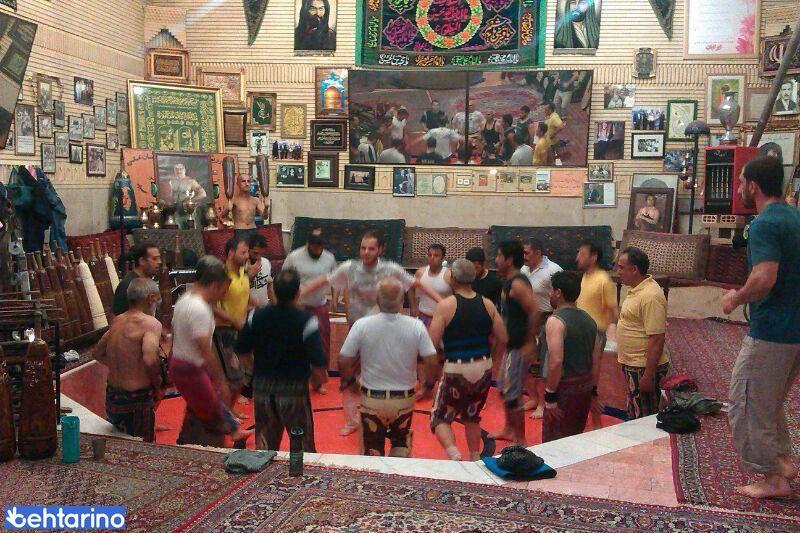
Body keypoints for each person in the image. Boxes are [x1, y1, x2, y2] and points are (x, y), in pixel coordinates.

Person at [300, 230, 443, 435]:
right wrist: (298, 296)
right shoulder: (350, 268)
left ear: (381, 249)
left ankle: (388, 414)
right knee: (349, 376)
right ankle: (352, 420)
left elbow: (416, 283)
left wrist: (443, 302)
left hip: (384, 332)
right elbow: (324, 280)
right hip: (357, 329)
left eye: (371, 248)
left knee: (383, 375)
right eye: (363, 248)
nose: (366, 252)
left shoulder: (390, 269)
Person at [721, 155, 800, 499]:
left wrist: (736, 298)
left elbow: (764, 277)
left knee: (746, 403)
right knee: (768, 402)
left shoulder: (765, 223)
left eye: (741, 182)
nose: (738, 188)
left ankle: (772, 477)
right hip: (794, 329)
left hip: (772, 330)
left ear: (752, 186)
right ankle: (782, 461)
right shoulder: (794, 216)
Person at [338, 278, 438, 457]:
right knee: (401, 449)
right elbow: (431, 359)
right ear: (402, 300)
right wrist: (428, 385)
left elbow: (344, 359)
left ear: (377, 299)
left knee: (372, 452)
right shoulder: (416, 326)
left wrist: (352, 383)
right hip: (404, 399)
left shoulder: (362, 325)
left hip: (372, 399)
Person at [235, 269, 328, 452]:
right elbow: (318, 362)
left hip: (263, 389)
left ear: (274, 291)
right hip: (294, 391)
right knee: (302, 446)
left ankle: (263, 469)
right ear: (298, 292)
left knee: (265, 447)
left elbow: (242, 350)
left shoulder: (256, 315)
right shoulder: (306, 320)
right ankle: (300, 470)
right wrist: (318, 379)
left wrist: (255, 370)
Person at [428, 259, 507, 461]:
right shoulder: (487, 304)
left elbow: (431, 344)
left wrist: (432, 373)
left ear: (453, 279)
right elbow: (503, 337)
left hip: (457, 366)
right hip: (483, 366)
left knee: (440, 417)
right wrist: (493, 358)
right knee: (472, 416)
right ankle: (474, 456)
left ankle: (454, 454)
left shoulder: (446, 306)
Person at [170, 256, 251, 445]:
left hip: (181, 364)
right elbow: (205, 350)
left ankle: (185, 441)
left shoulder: (185, 299)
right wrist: (220, 379)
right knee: (211, 411)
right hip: (190, 368)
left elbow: (175, 334)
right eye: (223, 290)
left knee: (198, 408)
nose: (223, 296)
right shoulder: (199, 308)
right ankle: (219, 446)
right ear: (214, 285)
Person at [94, 278, 163, 442]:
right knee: (143, 448)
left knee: (120, 445)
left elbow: (97, 353)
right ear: (150, 298)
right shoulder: (151, 324)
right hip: (136, 403)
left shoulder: (117, 321)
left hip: (112, 398)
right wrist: (158, 385)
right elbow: (150, 359)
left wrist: (124, 365)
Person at [541, 271, 602, 442]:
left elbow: (556, 361)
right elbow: (596, 359)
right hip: (584, 389)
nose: (549, 293)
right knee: (574, 439)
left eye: (551, 290)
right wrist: (593, 392)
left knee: (553, 443)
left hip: (564, 391)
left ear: (558, 293)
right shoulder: (589, 320)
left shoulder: (555, 321)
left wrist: (550, 396)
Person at [493, 240, 539, 445]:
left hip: (519, 347)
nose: (496, 260)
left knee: (512, 394)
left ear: (509, 259)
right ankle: (508, 430)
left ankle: (520, 440)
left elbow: (535, 311)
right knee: (504, 389)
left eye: (499, 256)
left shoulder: (518, 284)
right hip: (511, 346)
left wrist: (529, 342)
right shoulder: (508, 281)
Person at [615, 247, 669, 419]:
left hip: (643, 368)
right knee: (635, 412)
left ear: (634, 269)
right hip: (634, 364)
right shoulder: (636, 289)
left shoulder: (651, 296)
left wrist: (647, 376)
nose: (617, 271)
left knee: (644, 418)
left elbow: (657, 338)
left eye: (621, 267)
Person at [283, 227, 337, 378]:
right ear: (308, 244)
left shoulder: (329, 258)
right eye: (315, 246)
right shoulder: (294, 257)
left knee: (322, 343)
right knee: (297, 342)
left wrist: (334, 299)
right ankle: (298, 375)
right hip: (298, 307)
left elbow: (335, 279)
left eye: (321, 246)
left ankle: (320, 376)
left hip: (319, 305)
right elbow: (283, 279)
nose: (318, 250)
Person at [520, 238, 562, 416]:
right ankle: (533, 398)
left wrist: (555, 321)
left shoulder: (553, 270)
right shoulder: (523, 270)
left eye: (526, 253)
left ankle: (543, 405)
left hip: (546, 320)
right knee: (524, 362)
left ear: (538, 253)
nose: (523, 256)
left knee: (542, 364)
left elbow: (561, 297)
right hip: (527, 320)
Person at [213, 238, 255, 410]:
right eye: (243, 252)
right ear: (231, 253)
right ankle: (229, 407)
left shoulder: (243, 273)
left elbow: (245, 297)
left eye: (248, 252)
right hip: (224, 329)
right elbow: (212, 306)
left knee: (250, 364)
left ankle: (236, 398)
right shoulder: (221, 276)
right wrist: (233, 320)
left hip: (242, 327)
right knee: (232, 370)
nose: (247, 256)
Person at [112, 243, 161, 316]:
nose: (159, 262)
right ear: (142, 261)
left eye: (159, 258)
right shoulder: (128, 285)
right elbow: (117, 317)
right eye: (154, 259)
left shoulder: (149, 281)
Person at [412, 243, 452, 326]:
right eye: (430, 255)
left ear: (442, 258)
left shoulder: (449, 275)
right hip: (422, 316)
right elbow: (412, 290)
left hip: (442, 319)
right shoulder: (420, 272)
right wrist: (413, 307)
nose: (432, 258)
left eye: (436, 255)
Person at [222, 174, 265, 244]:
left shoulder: (256, 200)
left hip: (253, 230)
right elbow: (222, 216)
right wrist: (227, 209)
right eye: (243, 181)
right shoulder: (233, 200)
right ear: (238, 184)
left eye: (248, 181)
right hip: (239, 232)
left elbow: (264, 217)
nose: (247, 184)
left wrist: (266, 207)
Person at [247, 232, 275, 308]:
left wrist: (275, 306)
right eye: (255, 253)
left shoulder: (266, 262)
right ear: (248, 249)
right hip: (247, 310)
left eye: (261, 254)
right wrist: (250, 275)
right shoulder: (241, 266)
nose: (258, 257)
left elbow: (269, 286)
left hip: (263, 309)